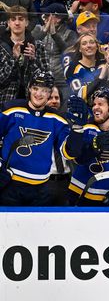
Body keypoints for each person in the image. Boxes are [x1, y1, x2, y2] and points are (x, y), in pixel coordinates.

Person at [0, 71, 70, 205]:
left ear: (49, 94)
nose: (39, 94)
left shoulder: (58, 119)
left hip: (41, 189)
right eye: (36, 88)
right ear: (29, 88)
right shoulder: (12, 109)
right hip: (10, 184)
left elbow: (69, 153)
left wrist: (77, 130)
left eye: (44, 90)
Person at [0, 6, 47, 103]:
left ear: (27, 23)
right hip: (5, 100)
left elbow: (46, 79)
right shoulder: (1, 47)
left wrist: (33, 60)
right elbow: (1, 79)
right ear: (8, 23)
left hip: (31, 102)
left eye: (21, 19)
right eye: (13, 19)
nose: (17, 23)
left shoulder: (38, 45)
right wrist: (14, 60)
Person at [63, 31, 109, 99]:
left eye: (92, 42)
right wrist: (100, 77)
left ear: (96, 47)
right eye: (84, 43)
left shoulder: (103, 65)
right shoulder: (73, 68)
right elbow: (80, 95)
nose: (89, 46)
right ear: (80, 49)